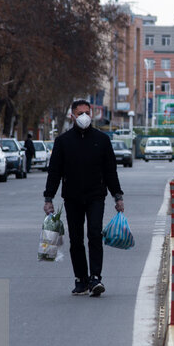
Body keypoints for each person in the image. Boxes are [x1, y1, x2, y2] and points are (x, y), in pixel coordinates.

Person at [43, 100, 125, 297]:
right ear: (72, 116)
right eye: (80, 113)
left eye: (87, 112)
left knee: (95, 234)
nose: (84, 117)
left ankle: (96, 277)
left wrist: (118, 196)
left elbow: (110, 171)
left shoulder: (102, 140)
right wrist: (48, 198)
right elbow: (54, 172)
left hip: (96, 195)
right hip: (72, 197)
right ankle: (81, 279)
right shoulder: (63, 141)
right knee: (76, 239)